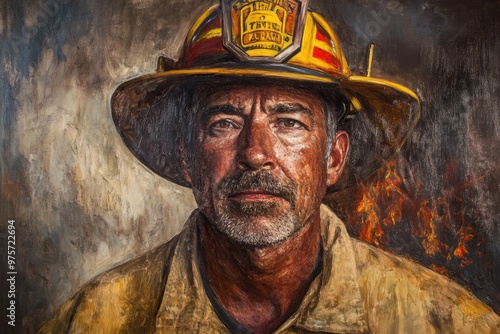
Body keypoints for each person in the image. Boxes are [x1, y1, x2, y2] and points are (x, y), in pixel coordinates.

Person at [40, 1, 500, 333]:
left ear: (334, 157)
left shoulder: (446, 322)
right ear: (185, 155)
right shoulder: (95, 319)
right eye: (224, 121)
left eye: (289, 122)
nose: (256, 152)